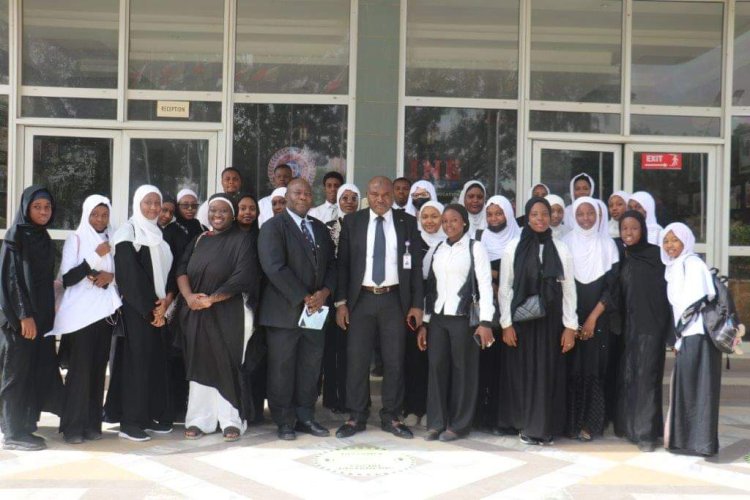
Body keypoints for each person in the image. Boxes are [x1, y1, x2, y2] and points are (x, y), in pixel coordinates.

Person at [334, 176, 424, 440]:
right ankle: (356, 416)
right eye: (375, 194)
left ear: (392, 195)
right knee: (357, 360)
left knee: (394, 360)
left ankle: (392, 416)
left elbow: (416, 266)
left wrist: (417, 305)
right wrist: (341, 303)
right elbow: (343, 266)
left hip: (394, 301)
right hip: (360, 300)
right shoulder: (353, 221)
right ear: (367, 195)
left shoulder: (407, 222)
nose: (381, 199)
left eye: (386, 194)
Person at [258, 179, 336, 441]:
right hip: (284, 313)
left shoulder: (319, 228)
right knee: (282, 368)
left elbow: (332, 266)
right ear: (287, 196)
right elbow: (274, 268)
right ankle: (284, 420)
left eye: (306, 193)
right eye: (297, 193)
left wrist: (324, 293)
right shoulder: (273, 227)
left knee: (310, 368)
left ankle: (305, 417)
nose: (303, 197)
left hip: (315, 312)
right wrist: (304, 297)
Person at [497, 197, 578, 445]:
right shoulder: (513, 247)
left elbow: (568, 289)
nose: (540, 219)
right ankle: (526, 425)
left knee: (547, 373)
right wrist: (506, 324)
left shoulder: (561, 248)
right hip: (523, 320)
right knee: (525, 374)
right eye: (534, 214)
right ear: (527, 217)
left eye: (544, 214)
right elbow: (505, 288)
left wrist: (570, 327)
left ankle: (545, 427)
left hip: (551, 323)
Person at [177, 194, 256, 442]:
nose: (217, 215)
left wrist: (212, 299)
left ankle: (230, 420)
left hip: (229, 312)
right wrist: (190, 297)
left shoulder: (242, 240)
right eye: (213, 211)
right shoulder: (200, 238)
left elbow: (244, 276)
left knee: (228, 364)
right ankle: (200, 420)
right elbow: (180, 270)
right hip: (196, 313)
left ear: (232, 215)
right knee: (199, 363)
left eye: (223, 211)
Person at [418, 204, 495, 442]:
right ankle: (436, 423)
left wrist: (486, 322)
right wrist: (426, 322)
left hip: (464, 319)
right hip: (439, 319)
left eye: (454, 220)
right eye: (445, 221)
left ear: (464, 222)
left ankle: (459, 425)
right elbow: (431, 288)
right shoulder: (439, 248)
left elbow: (484, 285)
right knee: (436, 369)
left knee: (464, 372)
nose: (449, 225)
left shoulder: (475, 247)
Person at [105, 185, 175, 442]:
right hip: (136, 311)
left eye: (157, 203)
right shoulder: (128, 232)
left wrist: (164, 305)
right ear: (137, 204)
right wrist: (149, 310)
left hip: (158, 310)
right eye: (148, 202)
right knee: (135, 366)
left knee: (153, 363)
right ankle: (129, 422)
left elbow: (168, 273)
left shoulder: (157, 233)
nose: (154, 208)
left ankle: (148, 417)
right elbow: (129, 277)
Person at [52, 195, 121, 444]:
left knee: (96, 371)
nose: (100, 219)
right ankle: (72, 428)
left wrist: (109, 276)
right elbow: (69, 278)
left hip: (104, 315)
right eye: (95, 214)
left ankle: (92, 426)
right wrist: (94, 257)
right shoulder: (77, 239)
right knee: (79, 372)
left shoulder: (112, 239)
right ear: (86, 215)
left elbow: (119, 272)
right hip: (81, 317)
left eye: (104, 215)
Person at [0, 186, 64, 451]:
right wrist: (24, 316)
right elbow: (12, 278)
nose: (43, 212)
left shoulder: (43, 237)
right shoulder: (16, 235)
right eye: (37, 206)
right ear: (26, 208)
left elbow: (46, 281)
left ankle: (24, 426)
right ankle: (12, 432)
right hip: (20, 322)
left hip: (40, 321)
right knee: (15, 374)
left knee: (31, 373)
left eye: (47, 207)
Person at [661, 223, 722, 457]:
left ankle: (702, 443)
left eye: (675, 240)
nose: (670, 245)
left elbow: (694, 304)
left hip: (699, 336)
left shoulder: (693, 264)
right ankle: (685, 440)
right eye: (666, 241)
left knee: (699, 389)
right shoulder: (676, 267)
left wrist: (679, 336)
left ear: (686, 240)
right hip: (687, 336)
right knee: (687, 387)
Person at [562, 197, 619, 442]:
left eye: (590, 214)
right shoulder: (565, 243)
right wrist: (572, 322)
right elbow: (562, 286)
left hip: (599, 319)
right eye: (580, 214)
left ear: (599, 216)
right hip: (570, 318)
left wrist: (592, 319)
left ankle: (590, 424)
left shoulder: (608, 245)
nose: (586, 219)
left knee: (594, 370)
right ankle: (570, 423)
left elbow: (612, 289)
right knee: (572, 370)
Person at [613, 211, 671, 452]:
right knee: (629, 376)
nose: (629, 233)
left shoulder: (657, 256)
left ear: (643, 229)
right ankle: (630, 427)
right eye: (624, 228)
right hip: (628, 327)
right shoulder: (622, 255)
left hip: (651, 326)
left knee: (647, 378)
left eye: (634, 228)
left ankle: (647, 433)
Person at [473, 195, 520, 432]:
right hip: (486, 313)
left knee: (507, 367)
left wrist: (495, 279)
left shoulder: (519, 238)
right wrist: (490, 281)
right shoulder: (480, 238)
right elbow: (472, 270)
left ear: (508, 215)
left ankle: (504, 420)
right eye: (490, 214)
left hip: (511, 313)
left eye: (498, 213)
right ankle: (482, 417)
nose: (494, 218)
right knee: (485, 364)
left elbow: (521, 275)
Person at [403, 200, 445, 425]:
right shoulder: (412, 242)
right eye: (425, 216)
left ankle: (433, 409)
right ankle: (413, 408)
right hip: (415, 307)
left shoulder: (448, 242)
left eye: (435, 216)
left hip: (439, 308)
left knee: (435, 361)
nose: (430, 221)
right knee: (413, 359)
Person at [322, 183, 360, 414]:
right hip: (331, 295)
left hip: (357, 296)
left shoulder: (365, 226)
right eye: (344, 197)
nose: (348, 201)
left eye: (353, 198)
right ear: (337, 200)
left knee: (353, 349)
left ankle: (351, 398)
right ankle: (331, 398)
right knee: (332, 348)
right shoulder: (327, 227)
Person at [235, 193, 265, 424]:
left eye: (251, 209)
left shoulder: (263, 236)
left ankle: (253, 411)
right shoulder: (226, 235)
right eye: (242, 208)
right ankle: (234, 410)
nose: (247, 212)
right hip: (231, 306)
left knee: (255, 360)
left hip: (259, 304)